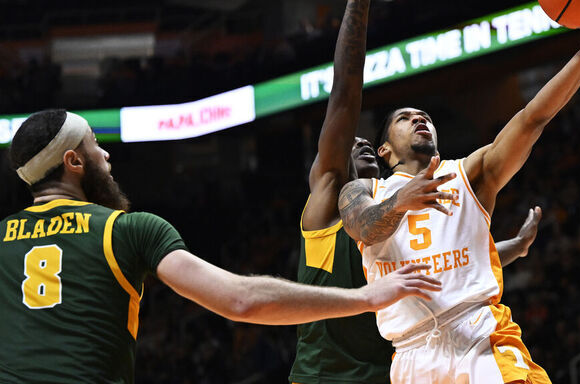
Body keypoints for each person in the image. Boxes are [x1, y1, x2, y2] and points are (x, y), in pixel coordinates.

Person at [0, 109, 442, 383]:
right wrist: (365, 298)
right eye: (97, 148)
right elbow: (241, 300)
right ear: (74, 162)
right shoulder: (127, 229)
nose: (107, 157)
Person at [290, 0, 542, 384]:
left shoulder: (399, 192)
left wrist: (511, 248)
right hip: (325, 375)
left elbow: (433, 265)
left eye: (370, 143)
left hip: (395, 366)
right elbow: (344, 93)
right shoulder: (330, 196)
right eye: (355, 144)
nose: (361, 145)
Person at [338, 0, 580, 383]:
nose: (419, 119)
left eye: (425, 115)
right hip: (411, 357)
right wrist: (401, 202)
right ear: (385, 151)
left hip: (480, 339)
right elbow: (361, 228)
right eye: (405, 118)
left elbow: (532, 118)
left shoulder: (468, 172)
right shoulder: (363, 192)